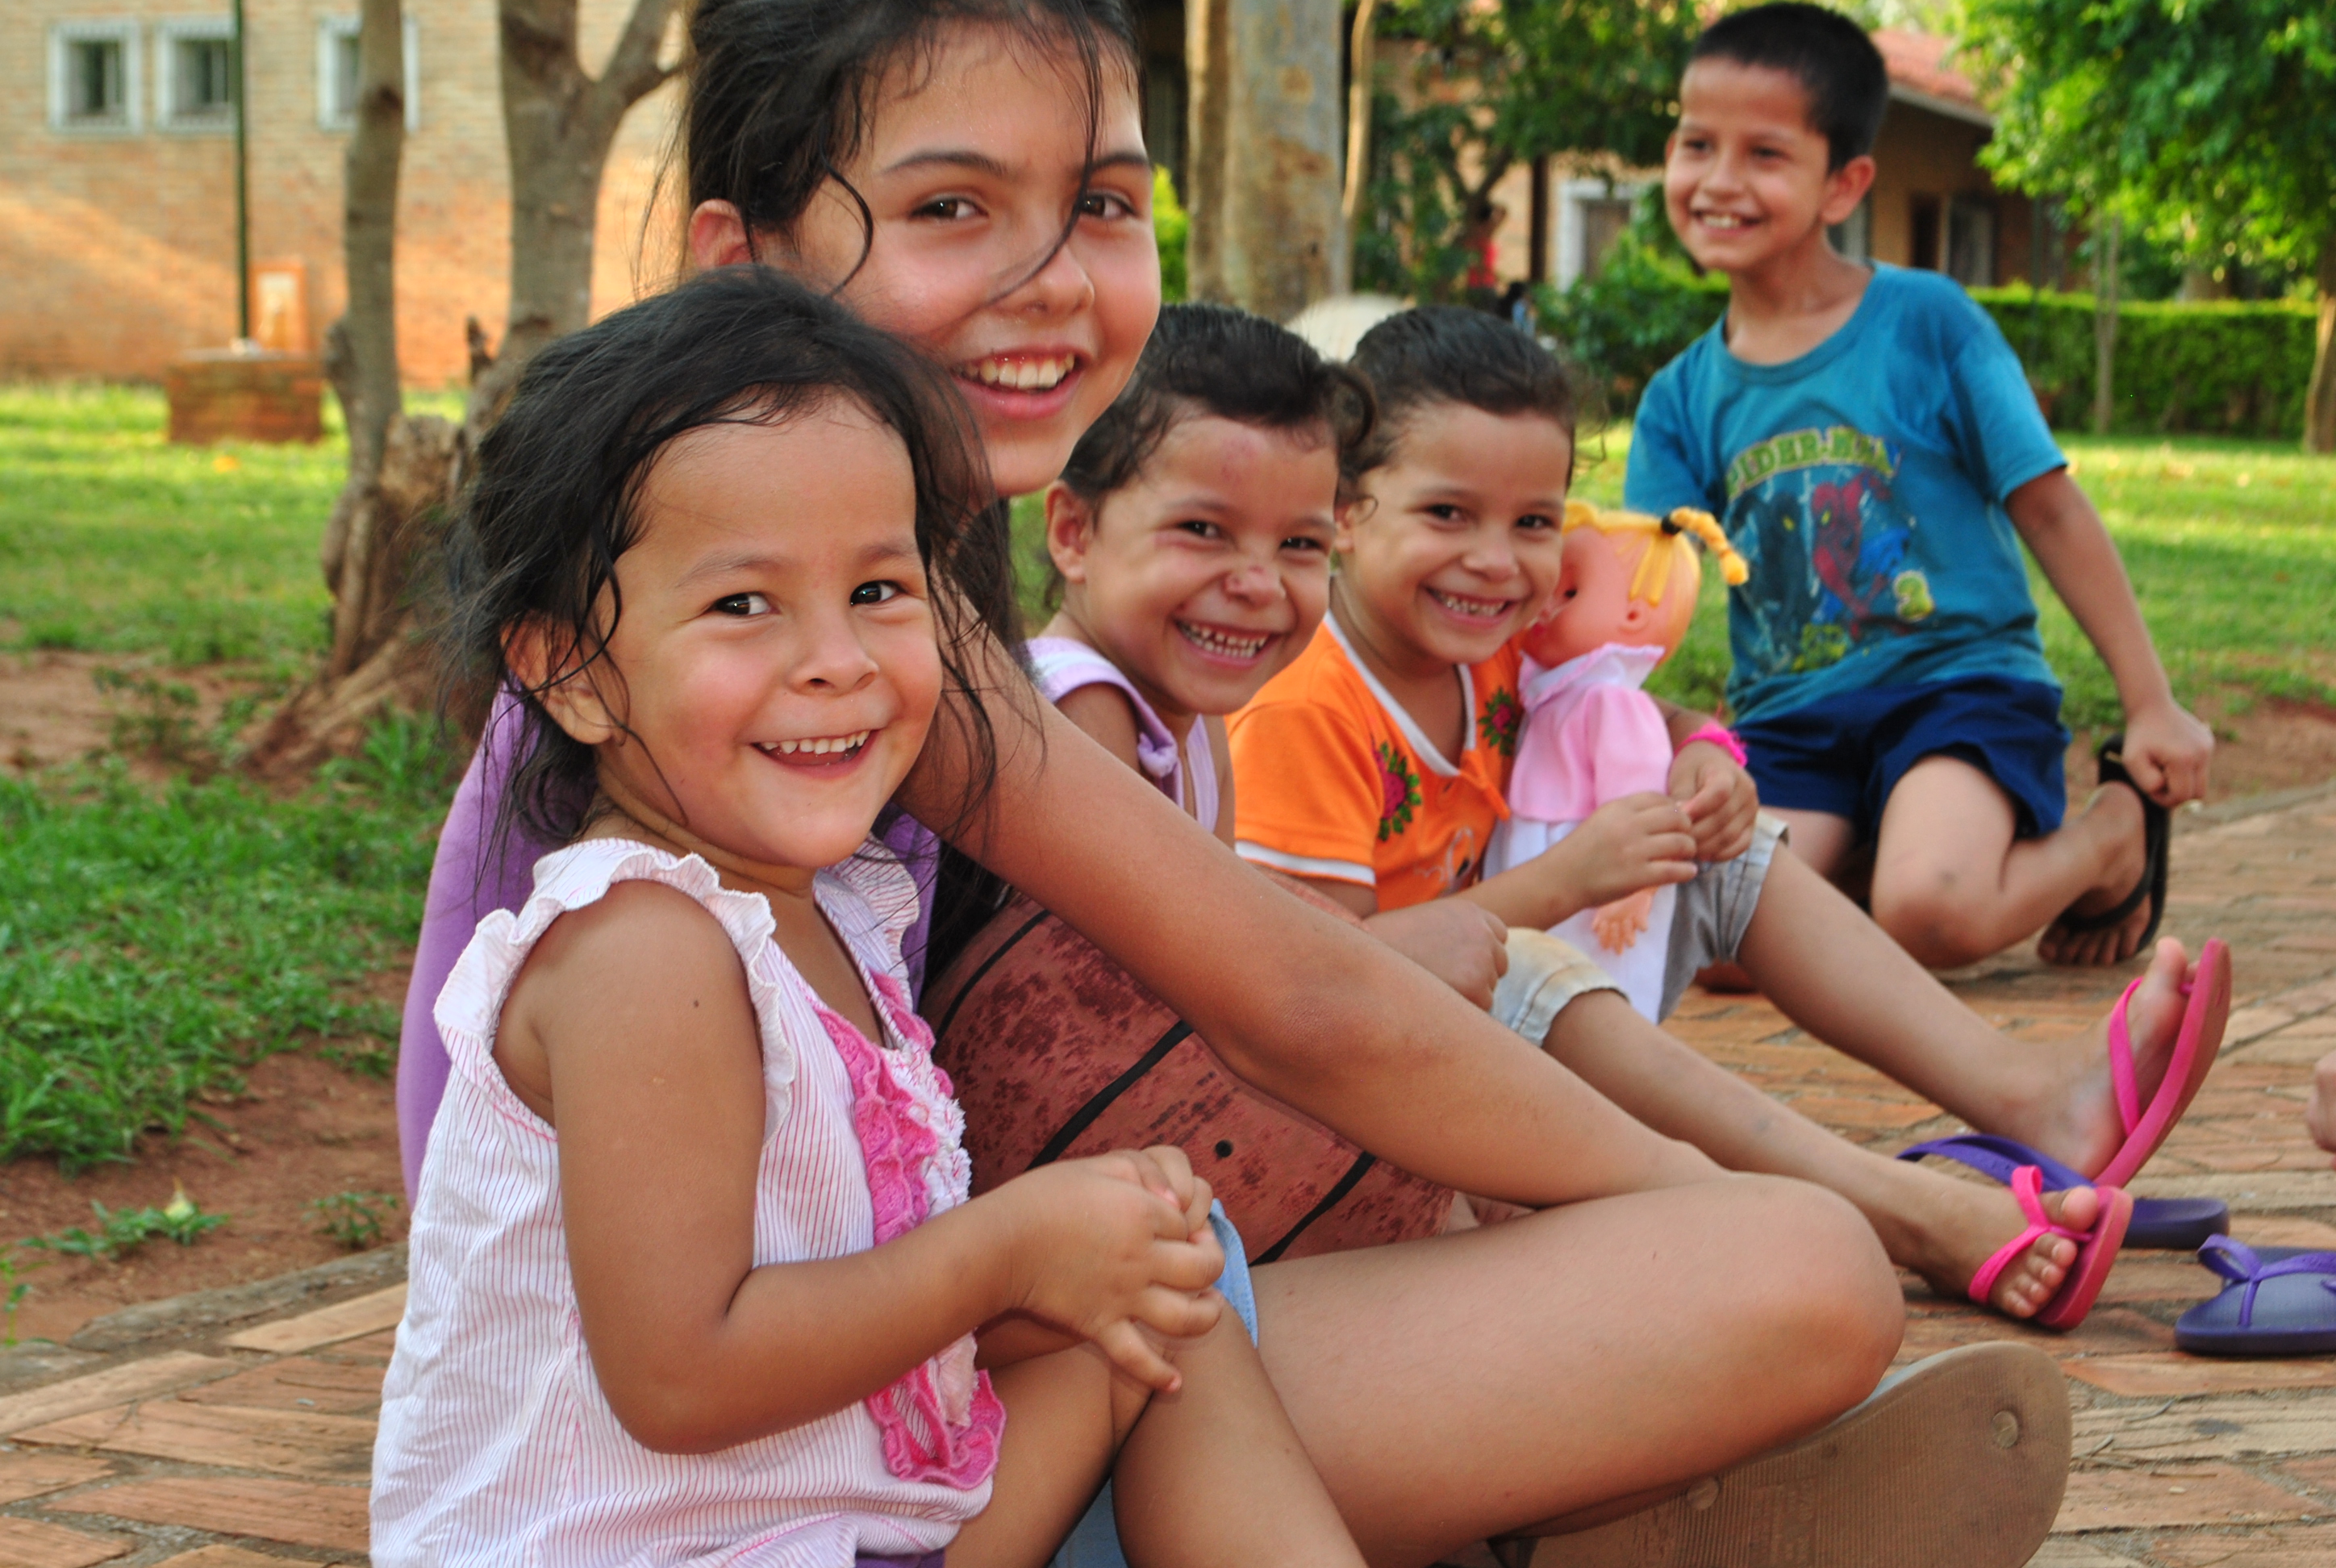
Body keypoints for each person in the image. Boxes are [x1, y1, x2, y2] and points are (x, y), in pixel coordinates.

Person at [392, 3, 1961, 1560]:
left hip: (873, 1362)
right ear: (748, 258)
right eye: (951, 207)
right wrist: (1670, 1203)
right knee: (1779, 1269)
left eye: (1102, 205)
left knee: (1233, 1235)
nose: (1054, 279)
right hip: (744, 1442)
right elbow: (1300, 998)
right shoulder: (807, 681)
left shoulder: (857, 611)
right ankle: (1561, 1497)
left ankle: (1570, 1492)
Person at [373, 268, 1372, 1567]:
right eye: (743, 605)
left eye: (879, 592)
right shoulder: (646, 950)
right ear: (567, 670)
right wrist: (1010, 1247)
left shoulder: (829, 910)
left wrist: (1082, 1243)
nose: (836, 659)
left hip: (819, 1508)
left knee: (1152, 1304)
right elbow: (679, 1379)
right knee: (1134, 1305)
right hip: (653, 1544)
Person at [1228, 304, 2234, 1329]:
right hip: (1377, 1096)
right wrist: (1563, 882)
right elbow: (1320, 986)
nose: (1496, 561)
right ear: (1346, 511)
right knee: (1528, 966)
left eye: (1534, 522)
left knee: (1721, 852)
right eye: (1447, 514)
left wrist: (1703, 752)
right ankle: (1901, 1213)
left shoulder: (1485, 637)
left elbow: (1627, 704)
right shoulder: (1308, 706)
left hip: (1517, 1036)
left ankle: (2032, 1100)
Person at [1624, 3, 2214, 970]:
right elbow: (1638, 588)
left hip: (1957, 690)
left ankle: (2109, 834)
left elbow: (2049, 506)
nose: (1719, 181)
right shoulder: (1678, 396)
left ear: (1843, 184)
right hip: (1789, 718)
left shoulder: (1928, 324)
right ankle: (1875, 836)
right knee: (1722, 948)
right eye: (1697, 144)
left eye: (1765, 155)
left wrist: (2149, 702)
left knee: (1929, 916)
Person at [1488, 501, 1750, 1019]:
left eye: (1569, 593)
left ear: (1633, 614)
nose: (1545, 606)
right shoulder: (1549, 690)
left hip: (1595, 872)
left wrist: (1637, 889)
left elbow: (1641, 803)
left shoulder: (1612, 702)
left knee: (1592, 978)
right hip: (1538, 853)